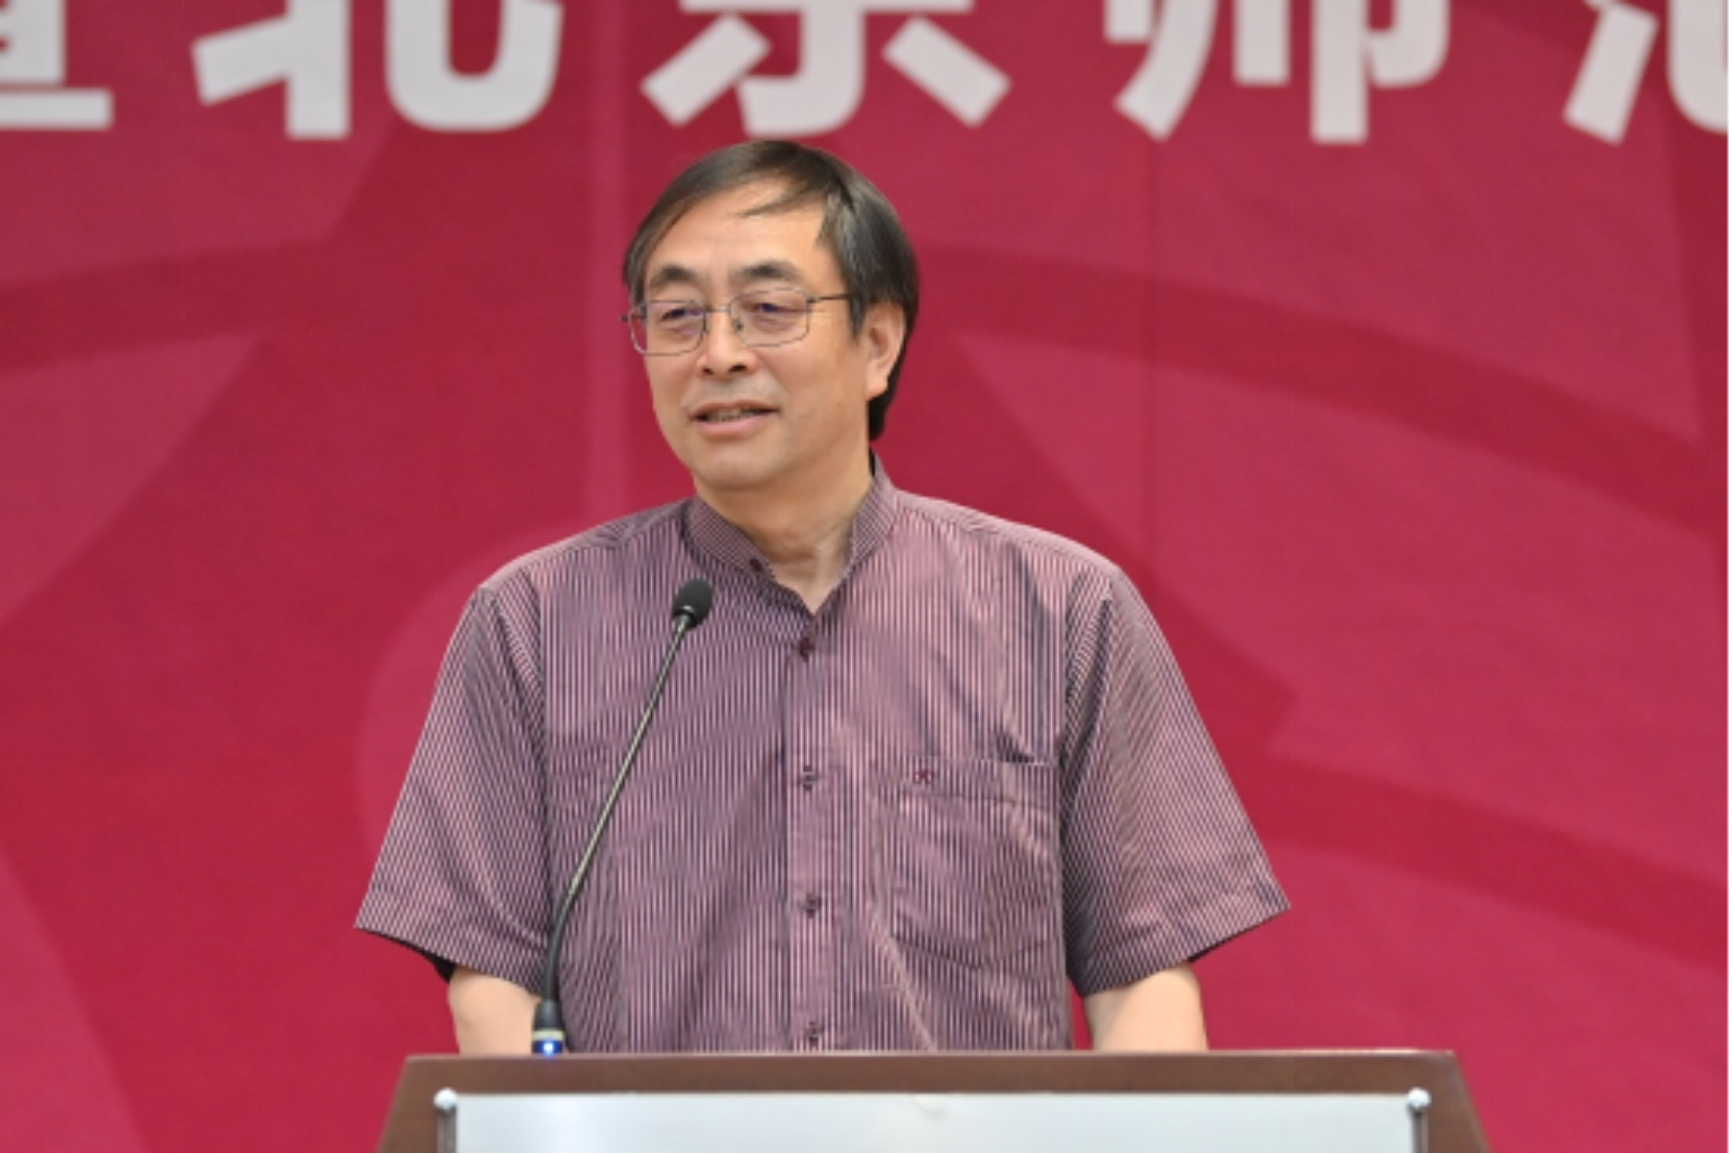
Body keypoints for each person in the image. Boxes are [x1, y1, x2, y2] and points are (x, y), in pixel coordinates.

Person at [358, 141, 1286, 1055]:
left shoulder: (1062, 613)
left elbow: (1142, 982)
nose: (719, 354)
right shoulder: (534, 624)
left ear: (877, 343)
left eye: (768, 309)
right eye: (678, 316)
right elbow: (493, 984)